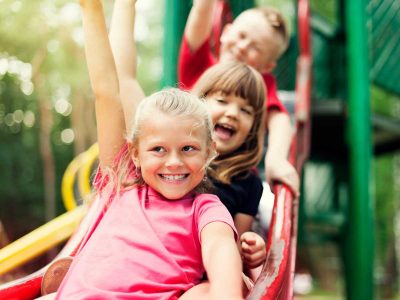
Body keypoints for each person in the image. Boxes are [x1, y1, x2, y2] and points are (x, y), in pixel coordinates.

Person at [54, 0, 243, 299]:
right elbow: (107, 93)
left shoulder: (205, 210)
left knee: (206, 291)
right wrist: (91, 11)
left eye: (188, 148)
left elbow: (220, 248)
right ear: (135, 153)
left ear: (210, 152)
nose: (173, 162)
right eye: (158, 149)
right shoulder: (120, 185)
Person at [108, 0, 268, 279]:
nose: (233, 113)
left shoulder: (246, 182)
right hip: (142, 264)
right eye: (222, 101)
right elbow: (123, 81)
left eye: (245, 110)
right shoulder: (160, 152)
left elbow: (232, 246)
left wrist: (250, 250)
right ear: (200, 102)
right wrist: (125, 7)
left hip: (196, 275)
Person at [178, 0, 300, 197]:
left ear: (267, 67)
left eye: (256, 48)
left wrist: (276, 159)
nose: (243, 46)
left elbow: (280, 119)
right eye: (242, 36)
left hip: (229, 182)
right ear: (225, 33)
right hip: (180, 165)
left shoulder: (258, 86)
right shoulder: (200, 65)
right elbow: (200, 13)